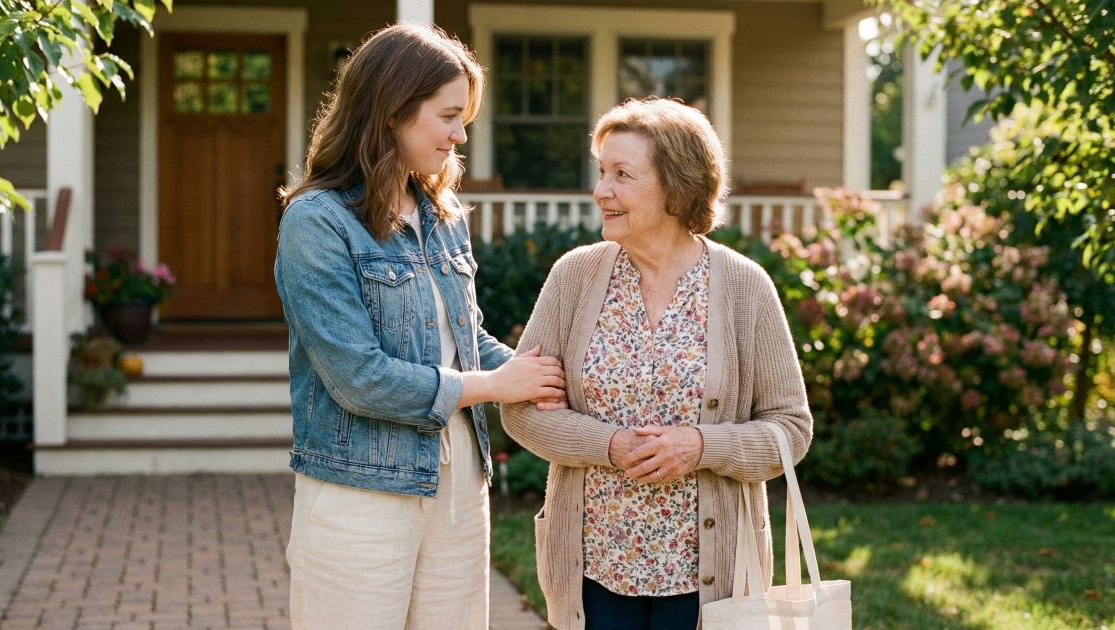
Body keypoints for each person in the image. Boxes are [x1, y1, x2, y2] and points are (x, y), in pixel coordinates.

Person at [275, 24, 567, 630]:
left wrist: (539, 373)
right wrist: (497, 386)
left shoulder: (442, 214)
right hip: (361, 489)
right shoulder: (316, 221)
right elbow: (358, 378)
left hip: (459, 481)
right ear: (392, 111)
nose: (461, 136)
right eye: (449, 117)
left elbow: (466, 341)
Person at [501, 98, 813, 630]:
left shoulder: (745, 287)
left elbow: (791, 429)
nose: (602, 190)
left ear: (677, 185)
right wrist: (610, 444)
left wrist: (701, 446)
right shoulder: (574, 277)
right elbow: (521, 409)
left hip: (710, 581)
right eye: (602, 172)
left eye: (622, 175)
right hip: (594, 571)